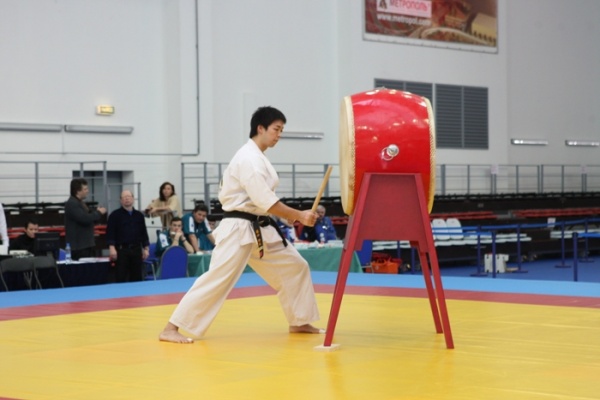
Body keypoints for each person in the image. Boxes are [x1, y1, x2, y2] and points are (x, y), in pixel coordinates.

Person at [159, 106, 323, 344]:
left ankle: (299, 320)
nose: (279, 135)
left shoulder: (258, 157)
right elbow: (265, 200)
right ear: (260, 128)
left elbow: (262, 202)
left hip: (259, 227)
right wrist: (298, 214)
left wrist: (286, 216)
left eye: (281, 130)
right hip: (238, 227)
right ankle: (171, 328)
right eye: (276, 129)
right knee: (218, 277)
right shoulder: (249, 158)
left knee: (295, 266)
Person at [106, 190, 150, 282]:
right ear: (120, 200)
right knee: (121, 277)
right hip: (122, 250)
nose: (127, 199)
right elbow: (110, 233)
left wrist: (146, 248)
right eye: (124, 197)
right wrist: (112, 248)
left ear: (133, 199)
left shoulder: (139, 215)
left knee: (137, 277)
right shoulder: (114, 215)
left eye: (129, 196)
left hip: (136, 250)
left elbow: (143, 232)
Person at [64, 178, 107, 260]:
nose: (87, 191)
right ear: (78, 191)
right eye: (85, 189)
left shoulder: (80, 203)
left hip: (85, 245)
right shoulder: (72, 204)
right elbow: (84, 218)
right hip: (79, 247)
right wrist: (98, 213)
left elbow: (88, 217)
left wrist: (96, 213)